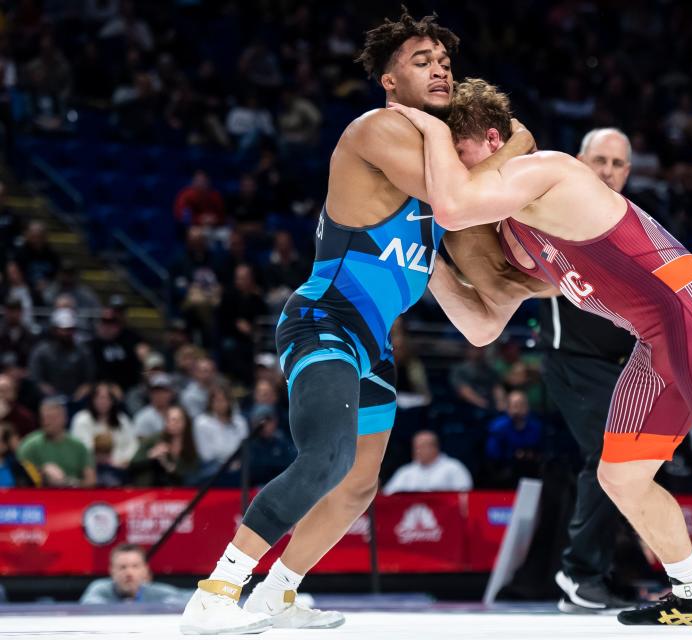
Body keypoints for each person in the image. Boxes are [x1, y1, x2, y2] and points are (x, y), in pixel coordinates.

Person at [392, 78, 692, 630]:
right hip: (654, 336)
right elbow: (483, 324)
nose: (446, 168)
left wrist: (425, 126)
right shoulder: (515, 234)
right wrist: (426, 263)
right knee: (620, 475)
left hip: (690, 304)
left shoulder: (546, 170)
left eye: (455, 152)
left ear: (490, 139)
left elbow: (452, 208)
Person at [180, 11, 545, 635]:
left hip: (371, 341)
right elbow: (508, 154)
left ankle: (278, 594)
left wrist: (548, 284)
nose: (440, 70)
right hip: (323, 319)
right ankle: (217, 589)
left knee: (356, 487)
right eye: (423, 61)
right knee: (326, 456)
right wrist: (515, 143)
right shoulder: (374, 131)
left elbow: (481, 322)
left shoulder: (439, 212)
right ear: (387, 80)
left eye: (446, 63)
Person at [536, 127, 638, 613]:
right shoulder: (553, 211)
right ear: (579, 160)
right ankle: (579, 573)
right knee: (610, 455)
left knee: (635, 463)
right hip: (573, 359)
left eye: (618, 164)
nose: (608, 171)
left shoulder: (632, 221)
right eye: (600, 160)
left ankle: (603, 569)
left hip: (624, 364)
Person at [17, 397, 94, 487]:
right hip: (40, 496)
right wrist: (43, 473)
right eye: (44, 417)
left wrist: (69, 483)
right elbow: (20, 479)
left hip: (73, 496)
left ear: (64, 418)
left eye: (51, 417)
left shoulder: (78, 446)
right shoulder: (29, 445)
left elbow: (91, 480)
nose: (46, 422)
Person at [79, 544, 183, 604]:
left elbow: (184, 600)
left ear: (145, 570)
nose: (129, 573)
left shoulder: (159, 593)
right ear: (112, 570)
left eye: (135, 566)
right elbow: (88, 604)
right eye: (122, 567)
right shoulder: (99, 589)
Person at [70, 382, 138, 468]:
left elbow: (132, 445)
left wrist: (124, 461)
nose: (103, 401)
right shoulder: (81, 419)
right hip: (91, 468)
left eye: (107, 398)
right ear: (92, 399)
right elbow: (80, 448)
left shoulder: (122, 419)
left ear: (112, 401)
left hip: (120, 467)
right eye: (99, 398)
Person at [129, 405, 200, 487]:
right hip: (152, 485)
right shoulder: (154, 439)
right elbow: (133, 464)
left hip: (181, 486)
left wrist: (171, 467)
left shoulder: (189, 442)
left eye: (176, 420)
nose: (172, 423)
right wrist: (151, 455)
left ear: (185, 422)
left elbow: (193, 470)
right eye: (168, 420)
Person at [383, 430, 472, 494]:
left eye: (421, 447)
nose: (417, 451)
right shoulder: (406, 471)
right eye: (415, 447)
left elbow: (464, 495)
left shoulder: (453, 468)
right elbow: (389, 495)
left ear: (434, 448)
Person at [193, 385, 248, 465]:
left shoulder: (239, 422)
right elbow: (206, 455)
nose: (220, 404)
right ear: (211, 402)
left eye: (223, 400)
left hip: (238, 466)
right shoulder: (201, 423)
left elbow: (245, 449)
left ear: (229, 402)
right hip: (213, 469)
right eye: (217, 400)